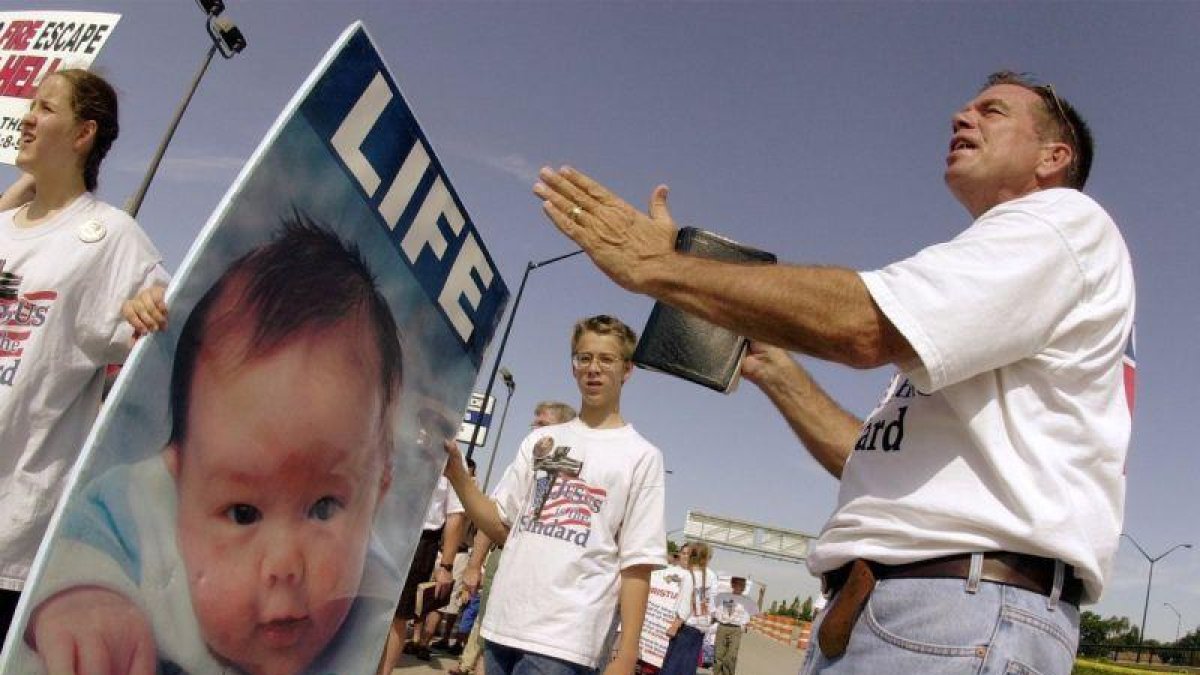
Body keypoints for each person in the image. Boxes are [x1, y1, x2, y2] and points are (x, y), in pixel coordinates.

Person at [533, 71, 1134, 675]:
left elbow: (863, 325)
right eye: (966, 107)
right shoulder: (1004, 297)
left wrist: (657, 268)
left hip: (960, 608)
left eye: (992, 110)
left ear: (1054, 157)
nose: (960, 115)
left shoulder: (1063, 221)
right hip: (896, 607)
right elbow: (866, 458)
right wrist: (775, 368)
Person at [22, 219, 405, 674]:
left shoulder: (371, 589)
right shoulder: (137, 510)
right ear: (176, 477)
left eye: (324, 507)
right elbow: (79, 546)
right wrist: (86, 601)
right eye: (244, 513)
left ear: (378, 490)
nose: (283, 565)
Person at [0, 69, 167, 641]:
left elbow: (170, 333)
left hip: (12, 535)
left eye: (45, 108)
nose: (26, 117)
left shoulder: (110, 236)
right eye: (30, 104)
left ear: (82, 135)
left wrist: (153, 305)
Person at [444, 315, 667, 675]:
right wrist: (458, 477)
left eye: (606, 359)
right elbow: (502, 524)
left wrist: (627, 653)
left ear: (627, 370)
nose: (593, 368)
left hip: (566, 644)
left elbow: (637, 563)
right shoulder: (539, 442)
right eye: (584, 358)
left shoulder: (641, 456)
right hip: (504, 624)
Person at [450, 401, 578, 675]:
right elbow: (495, 518)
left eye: (542, 424)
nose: (534, 428)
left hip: (552, 592)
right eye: (534, 422)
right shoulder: (524, 463)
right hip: (508, 560)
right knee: (492, 637)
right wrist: (474, 566)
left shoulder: (578, 468)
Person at [378, 447, 467, 671]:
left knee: (398, 616)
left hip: (421, 541)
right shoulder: (396, 437)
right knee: (361, 606)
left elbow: (456, 514)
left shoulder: (452, 454)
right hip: (380, 528)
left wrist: (446, 566)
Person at [659, 543, 717, 675]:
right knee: (687, 668)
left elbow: (686, 604)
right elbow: (711, 605)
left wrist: (675, 626)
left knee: (672, 666)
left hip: (686, 627)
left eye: (687, 554)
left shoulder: (690, 576)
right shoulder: (710, 575)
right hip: (700, 629)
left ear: (693, 556)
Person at [710, 577, 758, 675]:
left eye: (742, 584)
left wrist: (748, 622)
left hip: (736, 629)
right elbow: (713, 609)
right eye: (738, 583)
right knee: (718, 655)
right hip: (722, 627)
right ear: (732, 584)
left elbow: (755, 612)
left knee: (731, 656)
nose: (740, 586)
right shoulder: (722, 596)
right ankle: (716, 672)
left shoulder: (747, 601)